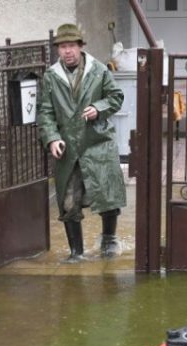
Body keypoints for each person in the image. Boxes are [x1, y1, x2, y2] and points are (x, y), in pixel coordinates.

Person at [37, 23, 127, 262]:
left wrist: (98, 108)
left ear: (80, 47)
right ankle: (76, 252)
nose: (67, 51)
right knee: (68, 201)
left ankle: (109, 239)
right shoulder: (51, 77)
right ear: (58, 50)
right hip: (68, 147)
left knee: (107, 196)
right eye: (63, 47)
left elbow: (116, 97)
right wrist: (52, 139)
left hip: (98, 143)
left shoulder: (98, 71)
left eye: (71, 46)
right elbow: (45, 112)